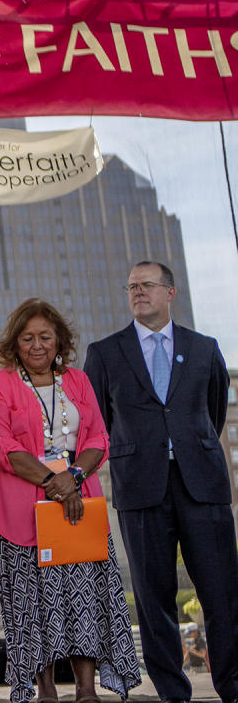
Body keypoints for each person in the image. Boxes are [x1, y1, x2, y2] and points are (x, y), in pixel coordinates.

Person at [84, 260, 236, 703]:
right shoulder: (105, 352)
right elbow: (98, 422)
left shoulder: (205, 348)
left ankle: (233, 684)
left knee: (222, 592)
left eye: (147, 285)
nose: (137, 292)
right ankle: (174, 693)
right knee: (154, 600)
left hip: (202, 485)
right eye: (131, 286)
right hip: (141, 488)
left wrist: (185, 445)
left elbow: (212, 412)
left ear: (170, 293)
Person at [0, 298, 141, 703]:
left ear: (60, 341)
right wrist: (57, 483)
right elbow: (3, 446)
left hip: (78, 502)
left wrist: (72, 478)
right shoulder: (1, 384)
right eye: (28, 337)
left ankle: (87, 690)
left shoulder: (77, 380)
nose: (37, 345)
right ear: (14, 343)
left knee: (84, 597)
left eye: (46, 337)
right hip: (25, 512)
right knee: (33, 602)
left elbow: (97, 439)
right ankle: (46, 691)